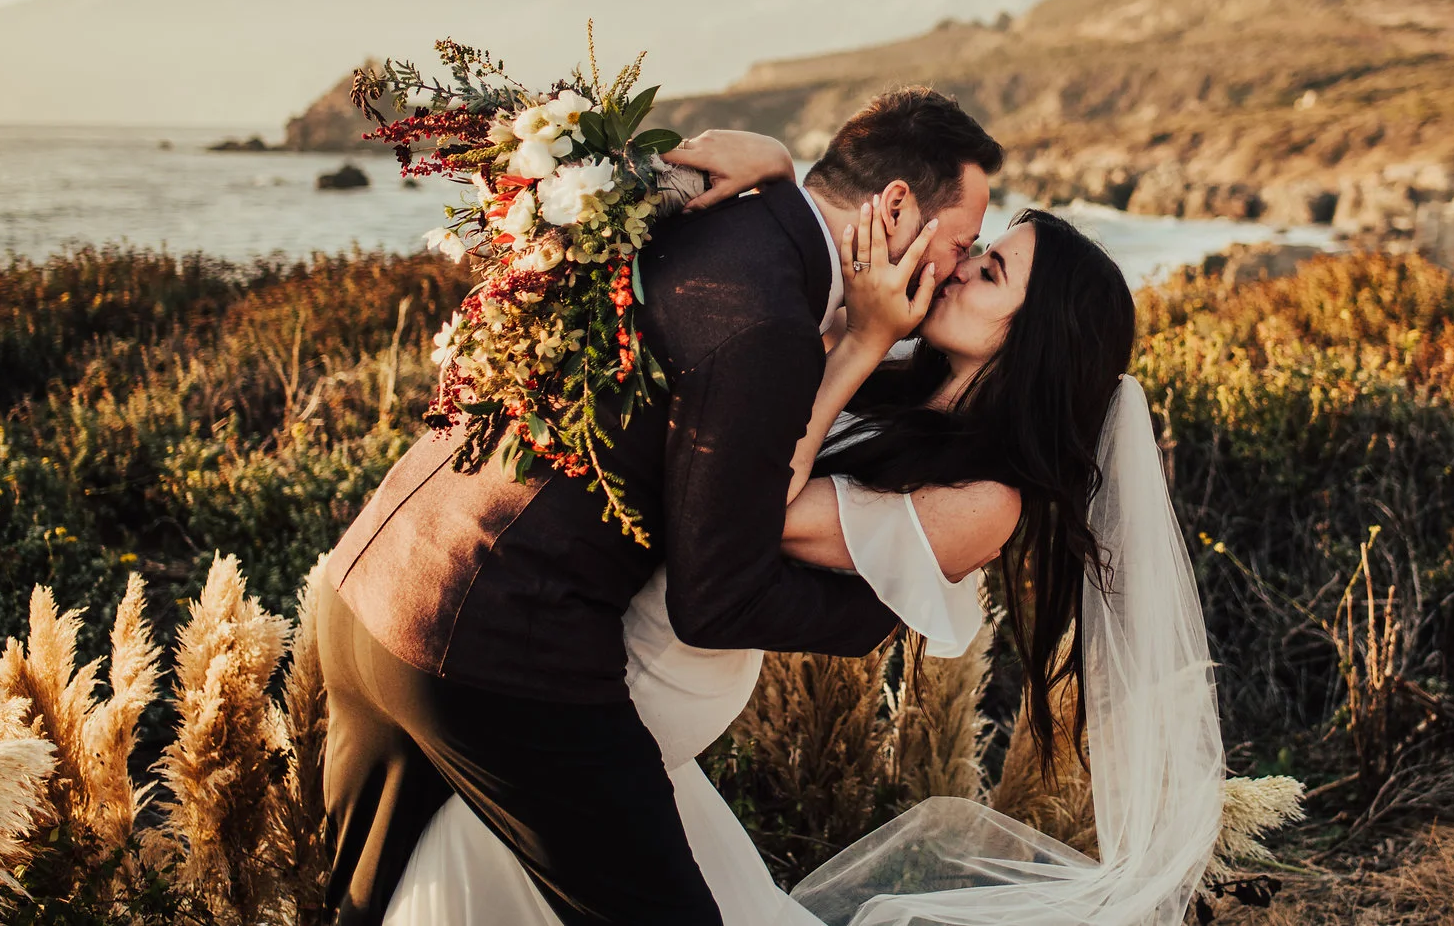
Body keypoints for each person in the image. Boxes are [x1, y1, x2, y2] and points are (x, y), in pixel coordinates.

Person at [382, 130, 1227, 926]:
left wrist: (861, 342)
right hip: (616, 641)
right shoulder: (908, 380)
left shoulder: (984, 499)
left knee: (477, 857)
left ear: (1032, 341)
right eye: (978, 248)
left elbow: (758, 504)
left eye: (990, 269)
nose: (960, 264)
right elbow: (772, 320)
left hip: (657, 676)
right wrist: (784, 168)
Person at [319, 88, 1001, 926]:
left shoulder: (715, 213)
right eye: (961, 241)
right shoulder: (770, 322)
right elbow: (717, 598)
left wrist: (784, 166)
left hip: (367, 589)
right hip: (494, 658)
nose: (955, 267)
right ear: (896, 204)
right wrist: (881, 612)